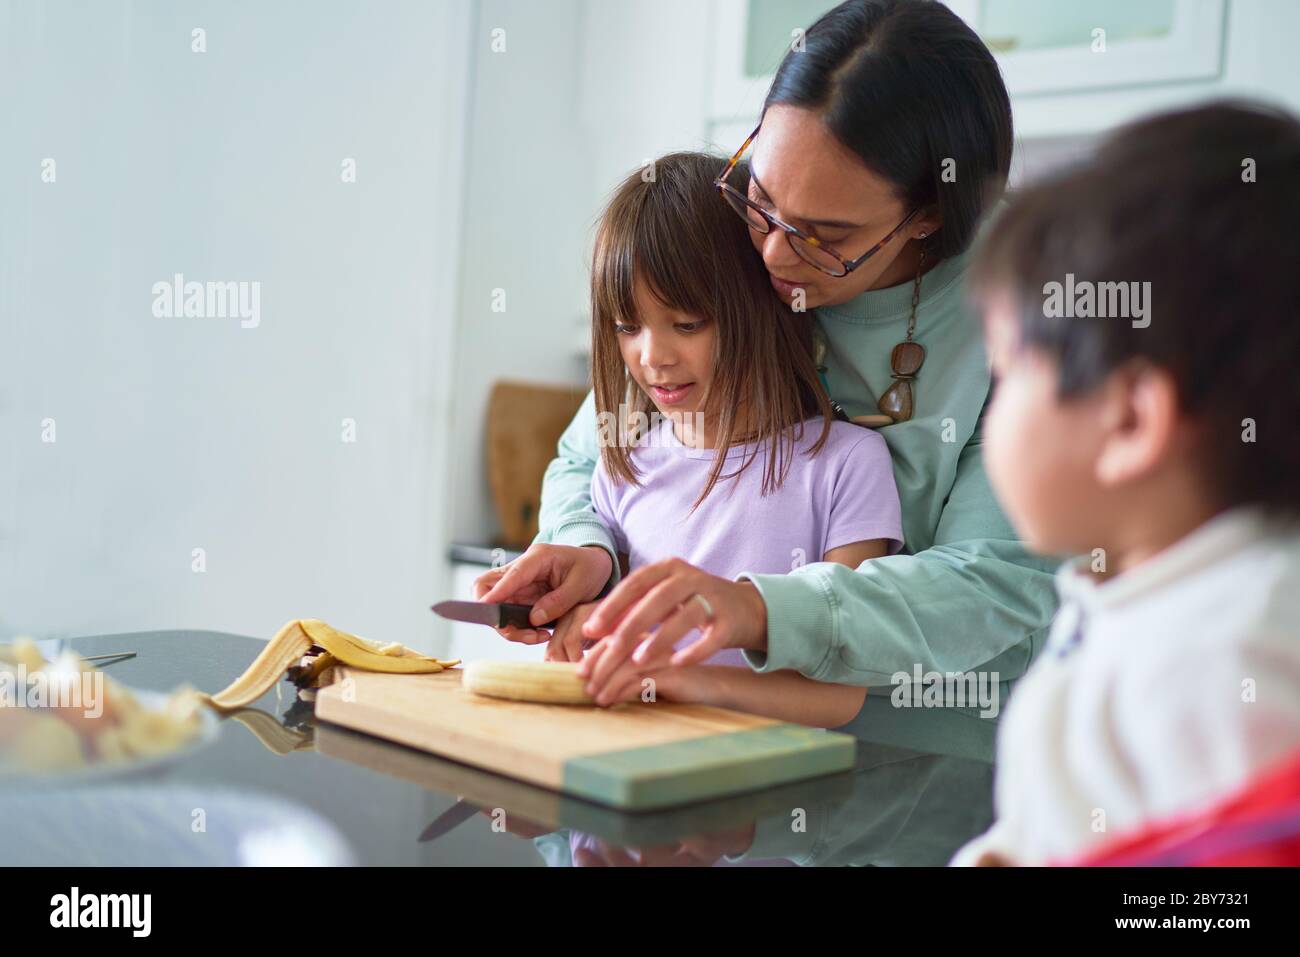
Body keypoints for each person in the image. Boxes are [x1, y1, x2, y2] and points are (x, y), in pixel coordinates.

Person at [477, 0, 1058, 711]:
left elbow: (992, 581)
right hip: (698, 728)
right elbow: (589, 455)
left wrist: (757, 611)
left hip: (931, 742)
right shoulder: (733, 231)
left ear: (928, 216)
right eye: (761, 195)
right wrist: (588, 551)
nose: (773, 253)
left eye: (824, 236)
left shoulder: (1024, 319)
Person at [952, 101, 1300, 865]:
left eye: (1006, 371)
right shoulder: (1150, 596)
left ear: (1130, 422)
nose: (991, 408)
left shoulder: (1229, 658)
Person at [543, 151, 903, 728]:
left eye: (687, 324)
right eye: (626, 328)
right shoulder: (621, 466)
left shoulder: (845, 464)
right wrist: (579, 632)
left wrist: (690, 683)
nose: (652, 357)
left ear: (764, 307)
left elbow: (840, 696)